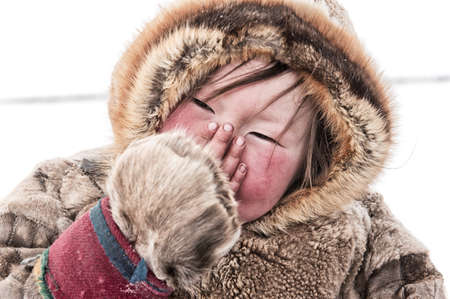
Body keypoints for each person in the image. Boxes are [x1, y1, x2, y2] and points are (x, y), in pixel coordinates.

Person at [0, 0, 446, 298]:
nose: (223, 138)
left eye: (266, 136)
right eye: (202, 104)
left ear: (313, 170)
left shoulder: (366, 237)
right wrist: (136, 229)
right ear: (162, 98)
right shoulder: (66, 189)